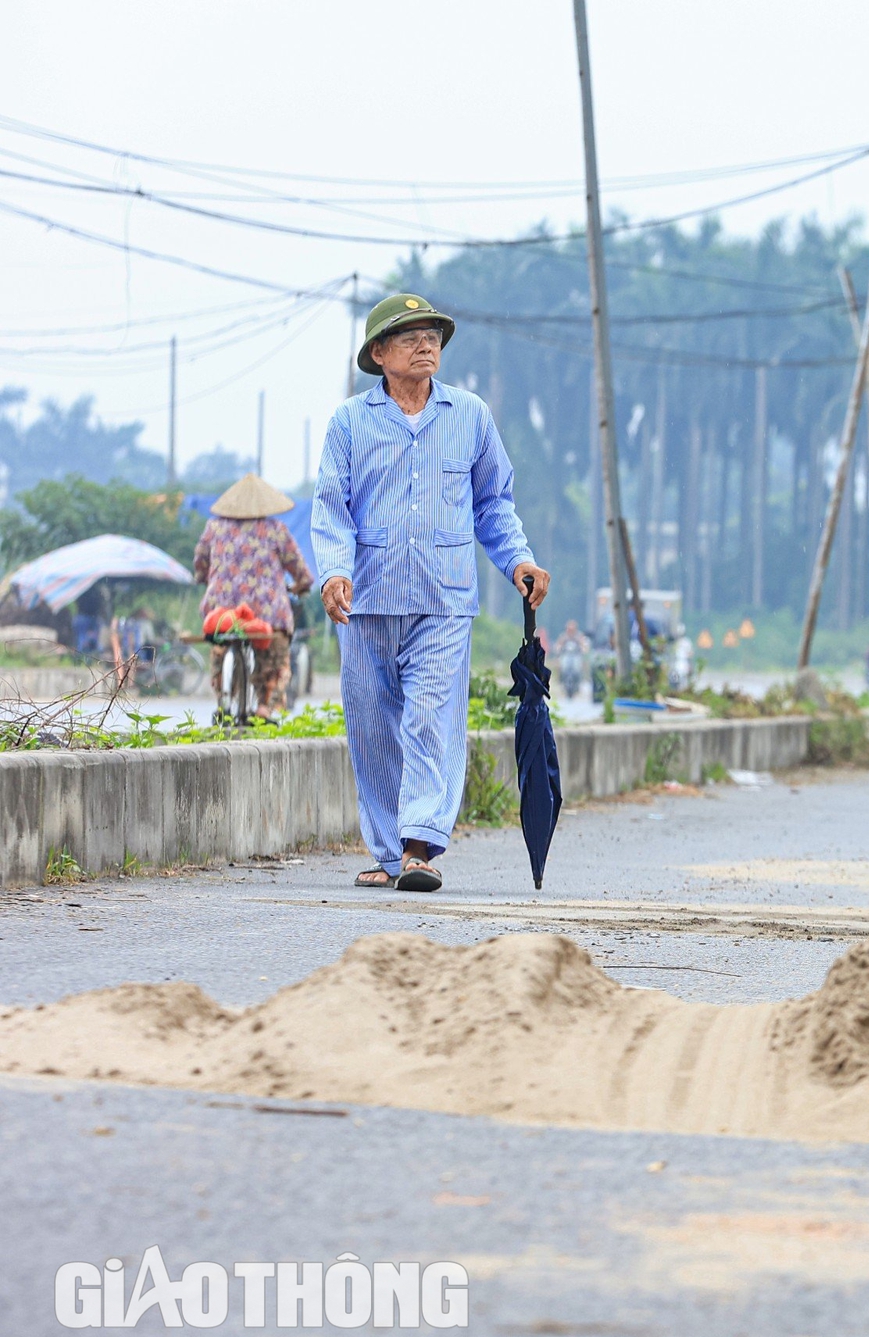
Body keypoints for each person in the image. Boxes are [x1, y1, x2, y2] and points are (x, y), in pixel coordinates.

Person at [314, 293, 550, 893]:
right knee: (371, 727)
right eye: (411, 336)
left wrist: (517, 559)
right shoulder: (349, 422)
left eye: (433, 335)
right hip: (368, 600)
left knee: (428, 720)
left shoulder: (469, 415)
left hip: (444, 600)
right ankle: (389, 853)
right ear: (379, 354)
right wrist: (333, 571)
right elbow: (332, 508)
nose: (427, 345)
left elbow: (493, 501)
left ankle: (419, 847)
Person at [192, 474, 313, 720]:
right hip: (267, 614)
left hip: (223, 612)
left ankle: (223, 696)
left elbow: (200, 564)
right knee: (276, 661)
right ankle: (265, 707)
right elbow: (300, 570)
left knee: (219, 646)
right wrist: (300, 585)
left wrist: (205, 579)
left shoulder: (214, 528)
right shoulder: (276, 530)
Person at [553, 618, 589, 699]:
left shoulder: (579, 636)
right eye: (569, 629)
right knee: (561, 666)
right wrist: (558, 649)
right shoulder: (564, 636)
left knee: (578, 668)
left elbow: (584, 645)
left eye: (572, 629)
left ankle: (579, 682)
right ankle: (561, 680)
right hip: (566, 656)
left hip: (576, 656)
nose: (570, 631)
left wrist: (584, 649)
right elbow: (558, 644)